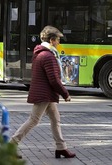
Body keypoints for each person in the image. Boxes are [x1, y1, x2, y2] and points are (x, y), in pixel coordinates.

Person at [10, 25, 76, 159]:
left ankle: (61, 148)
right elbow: (54, 79)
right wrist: (65, 94)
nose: (59, 43)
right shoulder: (48, 56)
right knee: (34, 120)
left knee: (55, 119)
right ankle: (11, 145)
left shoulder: (42, 53)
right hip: (44, 94)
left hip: (46, 93)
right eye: (58, 40)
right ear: (52, 40)